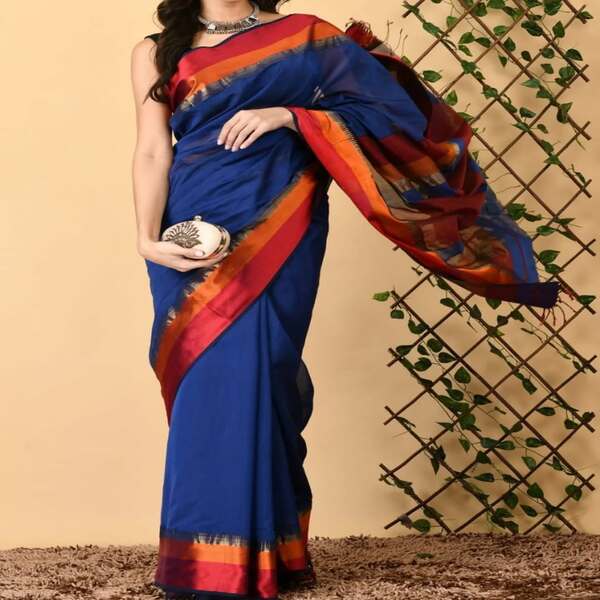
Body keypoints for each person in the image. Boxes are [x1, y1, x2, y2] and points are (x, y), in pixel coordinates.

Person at [130, 1, 563, 598]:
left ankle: (264, 555)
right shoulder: (156, 51)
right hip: (192, 228)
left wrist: (291, 116)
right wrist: (146, 238)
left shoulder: (306, 37)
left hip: (283, 217)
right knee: (207, 379)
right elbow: (153, 150)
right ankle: (210, 562)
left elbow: (389, 112)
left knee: (266, 372)